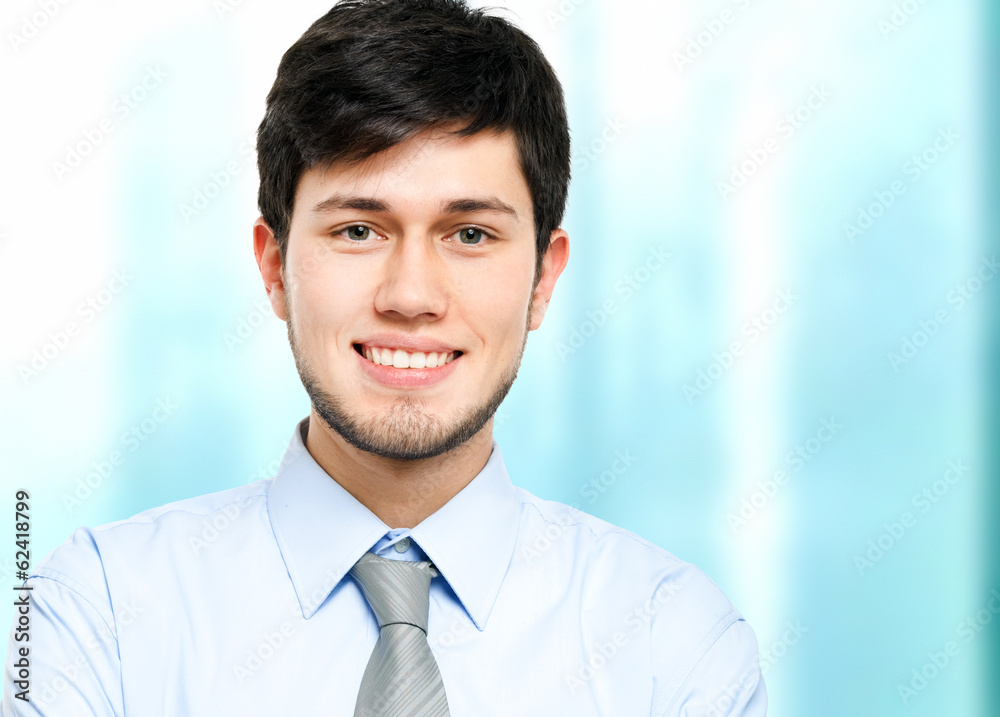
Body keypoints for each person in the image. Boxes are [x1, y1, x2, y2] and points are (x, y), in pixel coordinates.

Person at [3, 1, 767, 714]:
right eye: (359, 230)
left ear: (543, 277)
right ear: (274, 266)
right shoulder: (89, 613)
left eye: (470, 234)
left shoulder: (677, 643)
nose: (410, 295)